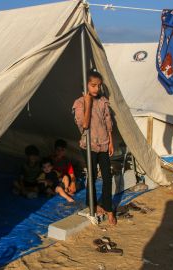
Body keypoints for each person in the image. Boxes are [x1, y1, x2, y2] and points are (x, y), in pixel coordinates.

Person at [72, 69, 116, 225]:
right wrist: (88, 103)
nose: (97, 89)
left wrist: (110, 141)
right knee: (91, 175)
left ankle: (109, 208)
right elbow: (84, 125)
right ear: (86, 85)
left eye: (99, 85)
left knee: (107, 177)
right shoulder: (79, 103)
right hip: (88, 145)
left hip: (103, 143)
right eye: (93, 85)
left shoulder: (103, 101)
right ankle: (92, 204)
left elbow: (108, 122)